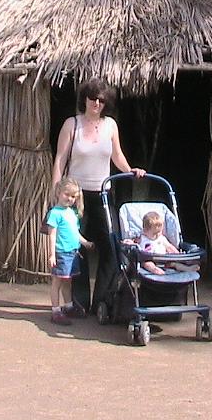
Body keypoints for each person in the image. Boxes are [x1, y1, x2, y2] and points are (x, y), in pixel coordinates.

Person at [51, 78, 145, 314]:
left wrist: (130, 170)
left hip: (103, 193)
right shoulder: (71, 124)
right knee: (75, 246)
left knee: (112, 245)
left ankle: (103, 299)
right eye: (93, 98)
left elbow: (117, 155)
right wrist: (56, 190)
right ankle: (80, 302)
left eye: (102, 100)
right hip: (75, 196)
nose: (96, 103)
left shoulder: (110, 125)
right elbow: (60, 159)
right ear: (84, 98)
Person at [46, 177, 94, 325]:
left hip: (72, 252)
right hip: (61, 253)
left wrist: (85, 243)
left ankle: (68, 307)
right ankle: (56, 310)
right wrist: (52, 254)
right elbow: (52, 235)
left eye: (73, 196)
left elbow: (74, 232)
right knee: (57, 281)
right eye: (67, 194)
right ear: (59, 193)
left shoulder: (72, 213)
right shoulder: (55, 213)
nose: (70, 199)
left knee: (68, 281)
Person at [138, 211, 199, 275]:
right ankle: (154, 269)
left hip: (165, 260)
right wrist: (129, 242)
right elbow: (134, 244)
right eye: (154, 233)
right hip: (149, 259)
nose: (157, 235)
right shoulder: (142, 238)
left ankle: (187, 268)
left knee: (175, 264)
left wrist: (178, 256)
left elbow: (169, 247)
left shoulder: (161, 238)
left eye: (159, 232)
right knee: (146, 264)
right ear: (145, 231)